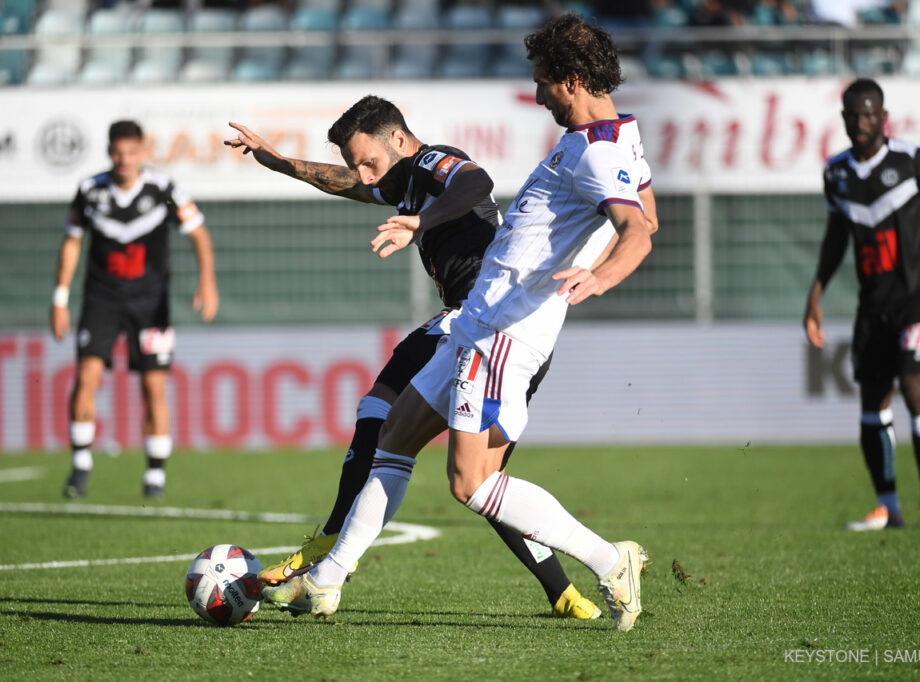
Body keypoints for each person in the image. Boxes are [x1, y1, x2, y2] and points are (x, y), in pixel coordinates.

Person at [264, 13, 658, 632]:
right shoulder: (615, 138)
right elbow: (649, 214)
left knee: (471, 483)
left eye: (542, 83)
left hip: (504, 327)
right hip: (478, 318)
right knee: (393, 435)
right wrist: (284, 163)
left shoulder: (597, 150)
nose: (535, 95)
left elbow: (636, 232)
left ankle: (611, 561)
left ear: (573, 79)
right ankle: (328, 577)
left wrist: (599, 275)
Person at [224, 96, 605, 619]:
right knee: (482, 484)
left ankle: (329, 547)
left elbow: (478, 183)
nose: (363, 174)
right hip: (483, 329)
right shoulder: (402, 182)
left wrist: (420, 223)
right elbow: (346, 182)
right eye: (357, 162)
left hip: (482, 325)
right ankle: (565, 593)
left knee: (393, 423)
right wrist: (277, 160)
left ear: (399, 141)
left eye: (369, 160)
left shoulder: (431, 163)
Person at [803, 78, 920, 532]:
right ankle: (888, 507)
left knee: (915, 387)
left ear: (883, 118)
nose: (863, 123)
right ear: (845, 119)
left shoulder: (914, 162)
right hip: (874, 304)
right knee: (872, 401)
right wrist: (815, 296)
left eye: (871, 115)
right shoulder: (837, 173)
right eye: (855, 116)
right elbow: (835, 240)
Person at [52, 120, 219, 499]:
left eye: (131, 152)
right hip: (101, 300)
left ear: (142, 151)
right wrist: (59, 298)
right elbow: (72, 242)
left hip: (150, 304)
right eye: (117, 152)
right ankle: (80, 465)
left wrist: (207, 281)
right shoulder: (90, 190)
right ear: (109, 151)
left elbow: (199, 234)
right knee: (86, 377)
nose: (123, 159)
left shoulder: (164, 189)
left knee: (153, 387)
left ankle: (155, 476)